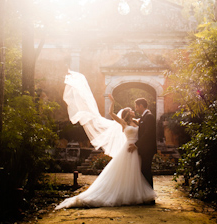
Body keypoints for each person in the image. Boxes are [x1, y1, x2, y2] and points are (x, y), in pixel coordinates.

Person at [55, 71, 156, 209]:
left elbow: (145, 130)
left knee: (135, 175)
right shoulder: (124, 124)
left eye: (134, 109)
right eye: (131, 110)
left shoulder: (137, 122)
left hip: (136, 150)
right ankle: (122, 194)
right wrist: (113, 102)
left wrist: (138, 144)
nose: (134, 111)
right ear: (127, 114)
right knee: (125, 172)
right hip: (128, 149)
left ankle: (134, 194)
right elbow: (111, 114)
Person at [128, 98, 157, 189]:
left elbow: (147, 133)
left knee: (146, 170)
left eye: (136, 107)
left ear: (141, 106)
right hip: (144, 149)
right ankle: (147, 193)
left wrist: (136, 144)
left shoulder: (149, 116)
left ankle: (149, 195)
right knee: (144, 171)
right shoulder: (145, 117)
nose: (136, 109)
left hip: (147, 149)